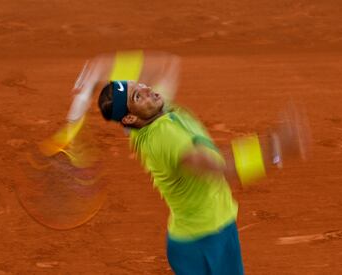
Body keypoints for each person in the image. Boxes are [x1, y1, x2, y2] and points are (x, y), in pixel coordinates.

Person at [97, 79, 245, 275]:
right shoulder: (165, 137)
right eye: (137, 96)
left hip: (202, 233)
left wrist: (98, 82)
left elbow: (126, 98)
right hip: (205, 240)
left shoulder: (141, 124)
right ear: (130, 119)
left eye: (140, 84)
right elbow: (219, 168)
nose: (147, 89)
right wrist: (277, 148)